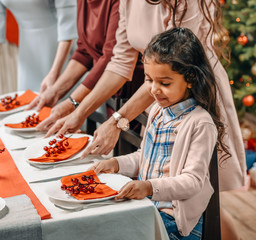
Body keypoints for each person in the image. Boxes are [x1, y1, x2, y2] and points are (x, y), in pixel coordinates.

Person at [45, 0, 246, 192]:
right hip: (157, 94)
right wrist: (79, 112)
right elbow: (120, 62)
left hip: (191, 93)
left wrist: (118, 120)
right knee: (159, 182)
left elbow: (179, 64)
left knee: (195, 191)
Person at [89, 27, 229, 239]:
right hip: (148, 207)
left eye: (164, 83)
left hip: (174, 221)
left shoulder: (200, 123)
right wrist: (116, 164)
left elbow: (192, 182)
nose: (154, 90)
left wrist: (149, 187)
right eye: (149, 80)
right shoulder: (157, 110)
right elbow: (144, 157)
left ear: (190, 78)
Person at [25, 0, 127, 131]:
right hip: (108, 91)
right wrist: (55, 91)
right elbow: (84, 51)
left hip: (128, 87)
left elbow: (111, 57)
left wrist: (73, 103)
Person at [0, 0, 77, 101]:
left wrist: (55, 73)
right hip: (28, 56)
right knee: (28, 108)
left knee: (64, 107)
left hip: (62, 50)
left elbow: (68, 26)